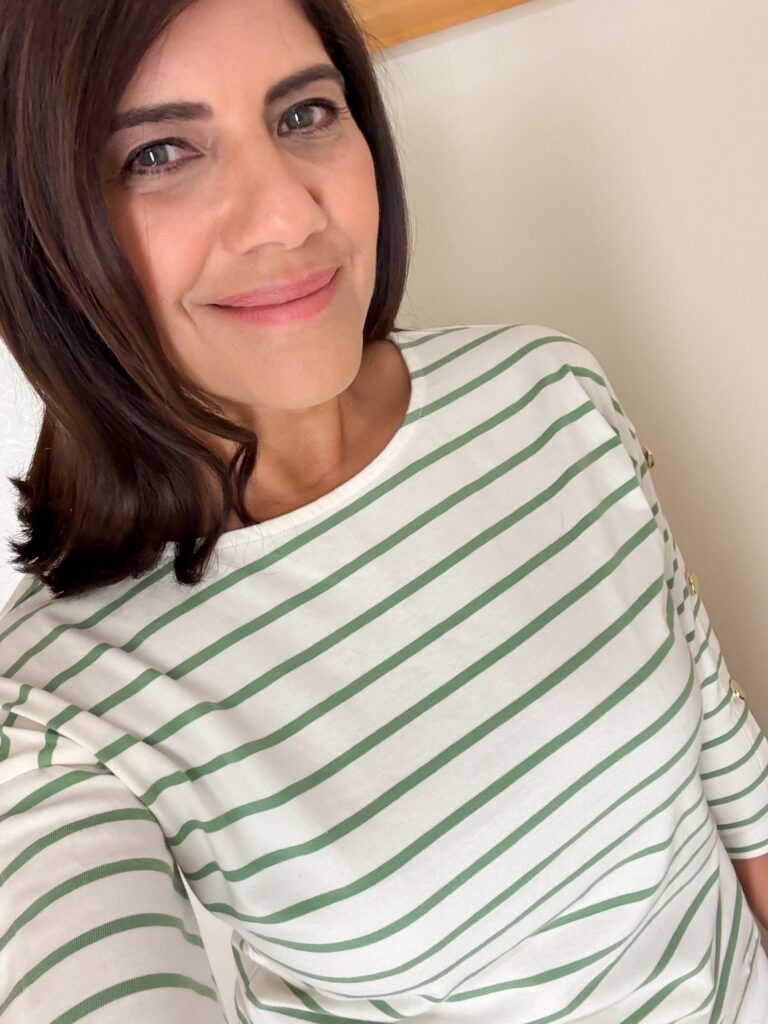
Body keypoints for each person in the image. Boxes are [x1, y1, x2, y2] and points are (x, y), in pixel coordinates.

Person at [0, 0, 767, 1021]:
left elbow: (721, 740)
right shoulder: (55, 706)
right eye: (158, 154)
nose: (288, 216)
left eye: (303, 114)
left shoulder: (545, 388)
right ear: (45, 234)